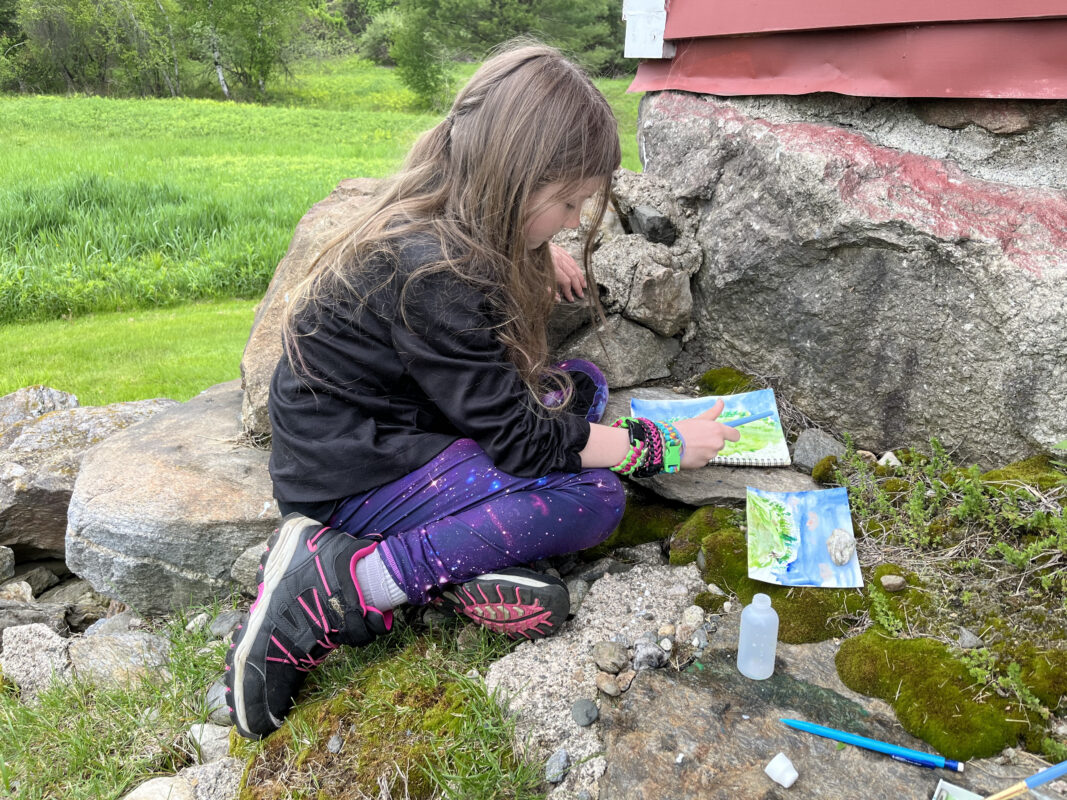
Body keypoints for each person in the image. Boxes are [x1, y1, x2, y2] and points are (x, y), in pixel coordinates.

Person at [225, 42, 741, 740]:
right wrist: (660, 445)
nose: (570, 220)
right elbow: (523, 442)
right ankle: (347, 585)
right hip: (348, 476)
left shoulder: (449, 218)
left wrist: (538, 250)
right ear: (513, 179)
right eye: (565, 203)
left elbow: (506, 393)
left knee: (580, 386)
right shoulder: (435, 273)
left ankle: (459, 568)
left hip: (387, 432)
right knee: (592, 496)